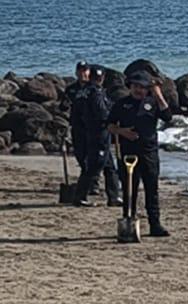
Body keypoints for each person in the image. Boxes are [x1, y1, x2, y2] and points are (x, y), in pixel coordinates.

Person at [107, 71, 174, 237]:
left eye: (143, 87)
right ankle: (128, 219)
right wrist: (122, 132)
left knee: (152, 190)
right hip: (128, 153)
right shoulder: (122, 104)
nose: (139, 90)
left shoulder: (152, 103)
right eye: (136, 86)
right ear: (130, 87)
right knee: (130, 190)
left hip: (149, 152)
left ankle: (155, 224)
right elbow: (109, 125)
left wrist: (158, 93)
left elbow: (168, 117)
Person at [72, 66, 121, 207]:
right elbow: (101, 112)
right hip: (98, 133)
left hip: (93, 132)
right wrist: (112, 118)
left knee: (110, 166)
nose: (99, 80)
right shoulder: (94, 92)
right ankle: (80, 196)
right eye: (97, 78)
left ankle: (113, 196)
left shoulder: (84, 92)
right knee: (94, 166)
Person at [61, 61, 90, 172]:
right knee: (79, 154)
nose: (83, 73)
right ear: (76, 72)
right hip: (77, 125)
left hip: (91, 126)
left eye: (85, 70)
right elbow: (63, 106)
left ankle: (93, 182)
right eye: (80, 71)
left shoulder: (94, 88)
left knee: (91, 154)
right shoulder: (71, 89)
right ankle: (85, 173)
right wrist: (65, 104)